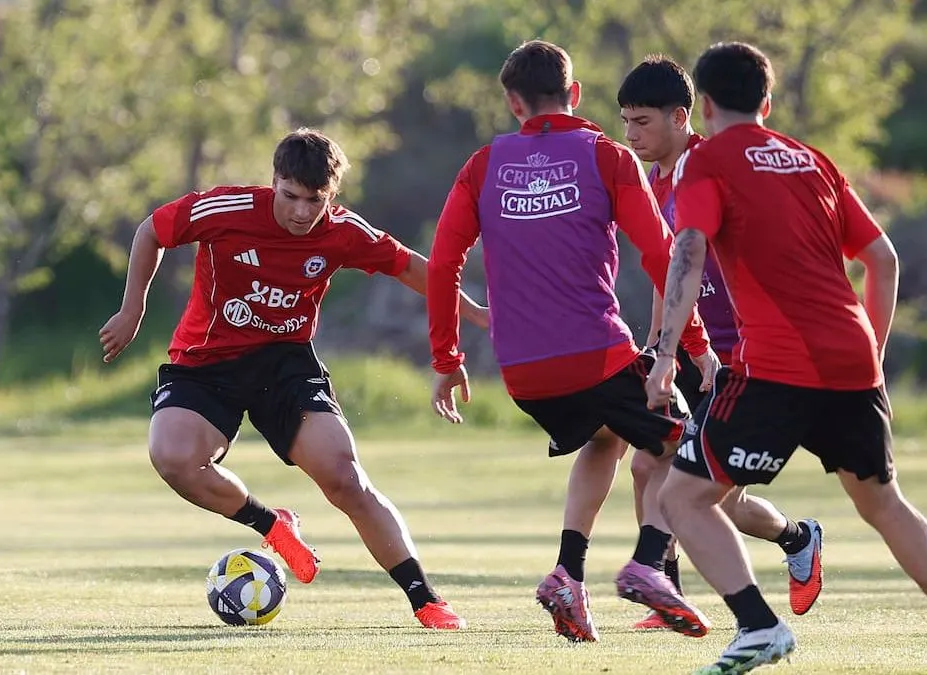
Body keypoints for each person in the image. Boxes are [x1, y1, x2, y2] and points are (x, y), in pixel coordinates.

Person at [644, 42, 927, 674]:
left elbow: (689, 249)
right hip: (853, 363)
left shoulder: (707, 161)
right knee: (884, 504)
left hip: (777, 366)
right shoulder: (813, 161)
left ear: (705, 105)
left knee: (683, 498)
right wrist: (873, 359)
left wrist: (664, 353)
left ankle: (758, 626)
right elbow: (883, 260)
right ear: (767, 102)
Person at [98, 128, 489, 630]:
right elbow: (151, 230)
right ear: (274, 181)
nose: (303, 213)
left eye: (316, 201)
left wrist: (473, 311)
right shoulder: (227, 209)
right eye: (291, 197)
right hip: (206, 361)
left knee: (345, 479)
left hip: (286, 365)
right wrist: (133, 309)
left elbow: (409, 266)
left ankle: (425, 599)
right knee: (173, 459)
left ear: (332, 196)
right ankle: (271, 524)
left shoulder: (343, 231)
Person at [426, 39, 719, 643]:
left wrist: (447, 359)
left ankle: (568, 576)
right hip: (596, 355)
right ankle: (648, 562)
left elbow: (443, 264)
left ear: (514, 103)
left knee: (606, 437)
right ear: (576, 94)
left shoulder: (482, 165)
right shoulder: (608, 157)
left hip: (523, 373)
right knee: (689, 445)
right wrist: (693, 344)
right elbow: (662, 255)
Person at [616, 54, 825, 631]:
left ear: (681, 117)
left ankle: (796, 537)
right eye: (626, 122)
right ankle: (667, 593)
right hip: (685, 350)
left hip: (734, 356)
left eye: (642, 122)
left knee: (710, 495)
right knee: (650, 468)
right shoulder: (651, 183)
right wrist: (657, 348)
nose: (630, 135)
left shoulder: (715, 168)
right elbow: (665, 271)